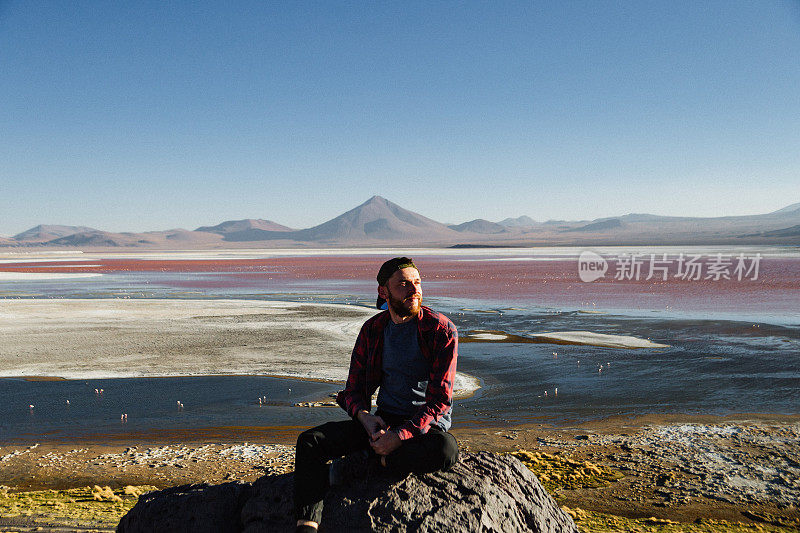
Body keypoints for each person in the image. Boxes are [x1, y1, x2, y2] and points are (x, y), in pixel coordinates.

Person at [293, 257, 459, 532]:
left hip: (424, 430)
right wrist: (366, 418)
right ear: (384, 291)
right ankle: (307, 525)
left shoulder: (440, 330)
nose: (414, 290)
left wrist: (399, 437)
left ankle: (370, 462)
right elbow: (352, 391)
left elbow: (440, 402)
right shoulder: (373, 330)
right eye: (403, 284)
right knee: (310, 442)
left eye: (417, 283)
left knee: (446, 449)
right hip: (383, 422)